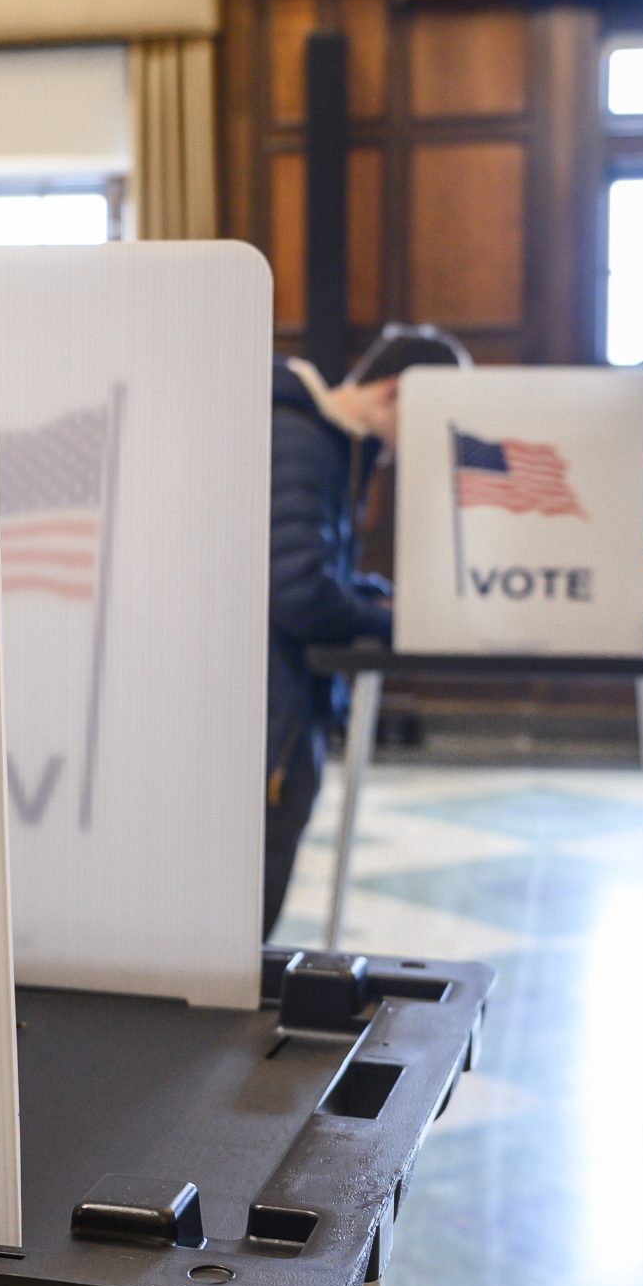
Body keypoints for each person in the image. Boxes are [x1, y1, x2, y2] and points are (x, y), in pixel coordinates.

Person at [264, 324, 471, 937]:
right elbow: (298, 591)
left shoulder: (321, 440)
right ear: (397, 391)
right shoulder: (302, 440)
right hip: (272, 725)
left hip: (281, 718)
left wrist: (377, 599)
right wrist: (390, 620)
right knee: (245, 923)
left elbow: (308, 569)